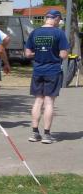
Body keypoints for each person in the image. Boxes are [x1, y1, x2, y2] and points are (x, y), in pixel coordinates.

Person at [25, 9, 69, 144]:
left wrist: (38, 53)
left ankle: (34, 133)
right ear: (55, 18)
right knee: (49, 102)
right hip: (53, 70)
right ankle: (47, 135)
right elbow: (63, 55)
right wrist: (54, 53)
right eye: (59, 20)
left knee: (38, 100)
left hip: (38, 70)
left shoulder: (35, 32)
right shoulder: (59, 33)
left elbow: (27, 53)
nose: (59, 22)